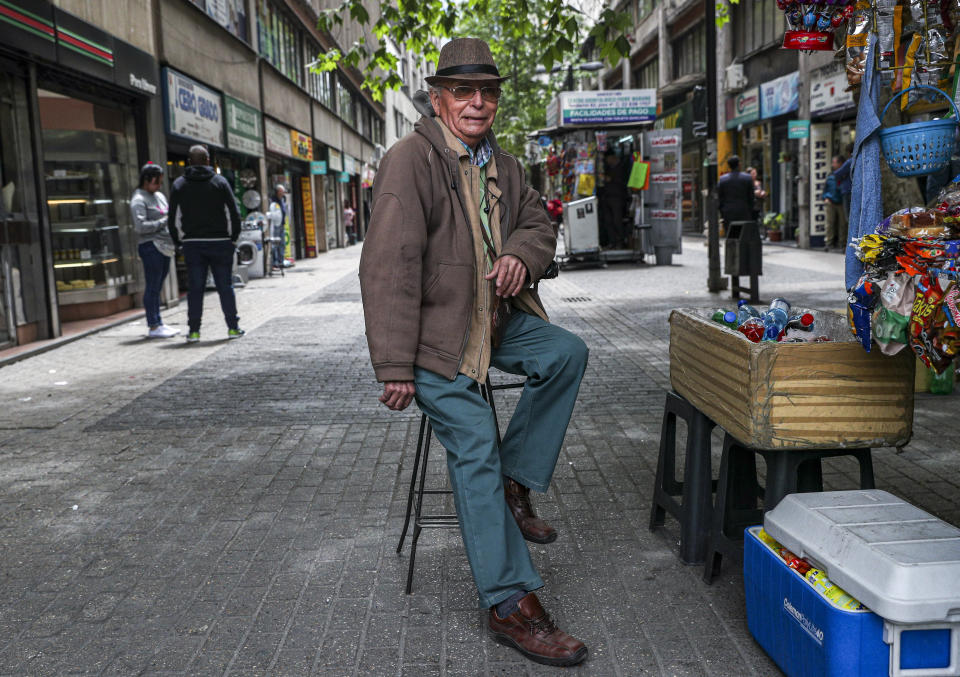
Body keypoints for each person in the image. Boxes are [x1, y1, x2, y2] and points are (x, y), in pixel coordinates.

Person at [358, 38, 589, 668]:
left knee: (567, 353)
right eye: (464, 91)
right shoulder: (409, 160)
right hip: (434, 342)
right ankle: (510, 603)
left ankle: (517, 483)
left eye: (488, 91)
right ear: (438, 99)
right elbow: (388, 267)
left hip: (495, 321)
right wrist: (394, 366)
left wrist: (520, 252)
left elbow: (540, 224)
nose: (478, 102)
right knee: (474, 438)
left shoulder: (507, 166)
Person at [167, 145, 244, 342]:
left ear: (189, 162)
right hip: (220, 242)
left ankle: (194, 331)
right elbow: (234, 213)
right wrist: (233, 239)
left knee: (195, 289)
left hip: (193, 244)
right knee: (225, 287)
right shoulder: (220, 182)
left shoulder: (179, 184)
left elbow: (172, 217)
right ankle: (233, 328)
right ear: (208, 161)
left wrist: (179, 242)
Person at [131, 163, 179, 339]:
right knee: (152, 286)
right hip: (151, 246)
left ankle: (158, 322)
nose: (159, 186)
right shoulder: (138, 199)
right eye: (156, 182)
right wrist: (164, 222)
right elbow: (140, 227)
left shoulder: (159, 196)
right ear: (147, 180)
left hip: (165, 246)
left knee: (158, 286)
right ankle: (153, 325)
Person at [717, 155, 756, 226]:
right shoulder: (747, 178)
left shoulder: (722, 179)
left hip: (728, 213)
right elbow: (751, 197)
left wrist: (722, 211)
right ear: (739, 164)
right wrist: (750, 210)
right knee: (743, 234)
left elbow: (720, 198)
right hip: (744, 212)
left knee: (730, 235)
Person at [599, 150, 627, 248]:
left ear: (612, 157)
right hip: (607, 197)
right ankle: (612, 242)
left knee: (617, 220)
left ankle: (620, 242)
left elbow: (623, 182)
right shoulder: (608, 168)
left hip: (617, 197)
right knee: (608, 221)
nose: (607, 161)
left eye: (608, 159)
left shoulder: (622, 167)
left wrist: (611, 179)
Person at [823, 155, 848, 251]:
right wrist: (825, 197)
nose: (832, 165)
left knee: (843, 224)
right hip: (830, 201)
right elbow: (825, 189)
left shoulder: (844, 175)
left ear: (840, 164)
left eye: (834, 162)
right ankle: (828, 243)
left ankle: (842, 243)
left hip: (841, 202)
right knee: (829, 223)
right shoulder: (831, 175)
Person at [267, 185, 287, 271]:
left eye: (283, 191)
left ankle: (281, 261)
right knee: (275, 244)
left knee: (282, 243)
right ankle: (275, 263)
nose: (283, 193)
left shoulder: (282, 199)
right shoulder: (273, 201)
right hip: (275, 225)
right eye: (281, 191)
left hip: (281, 224)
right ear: (277, 192)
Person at [835, 144, 853, 218]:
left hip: (847, 190)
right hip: (852, 189)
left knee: (848, 215)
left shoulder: (849, 161)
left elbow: (837, 173)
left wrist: (843, 176)